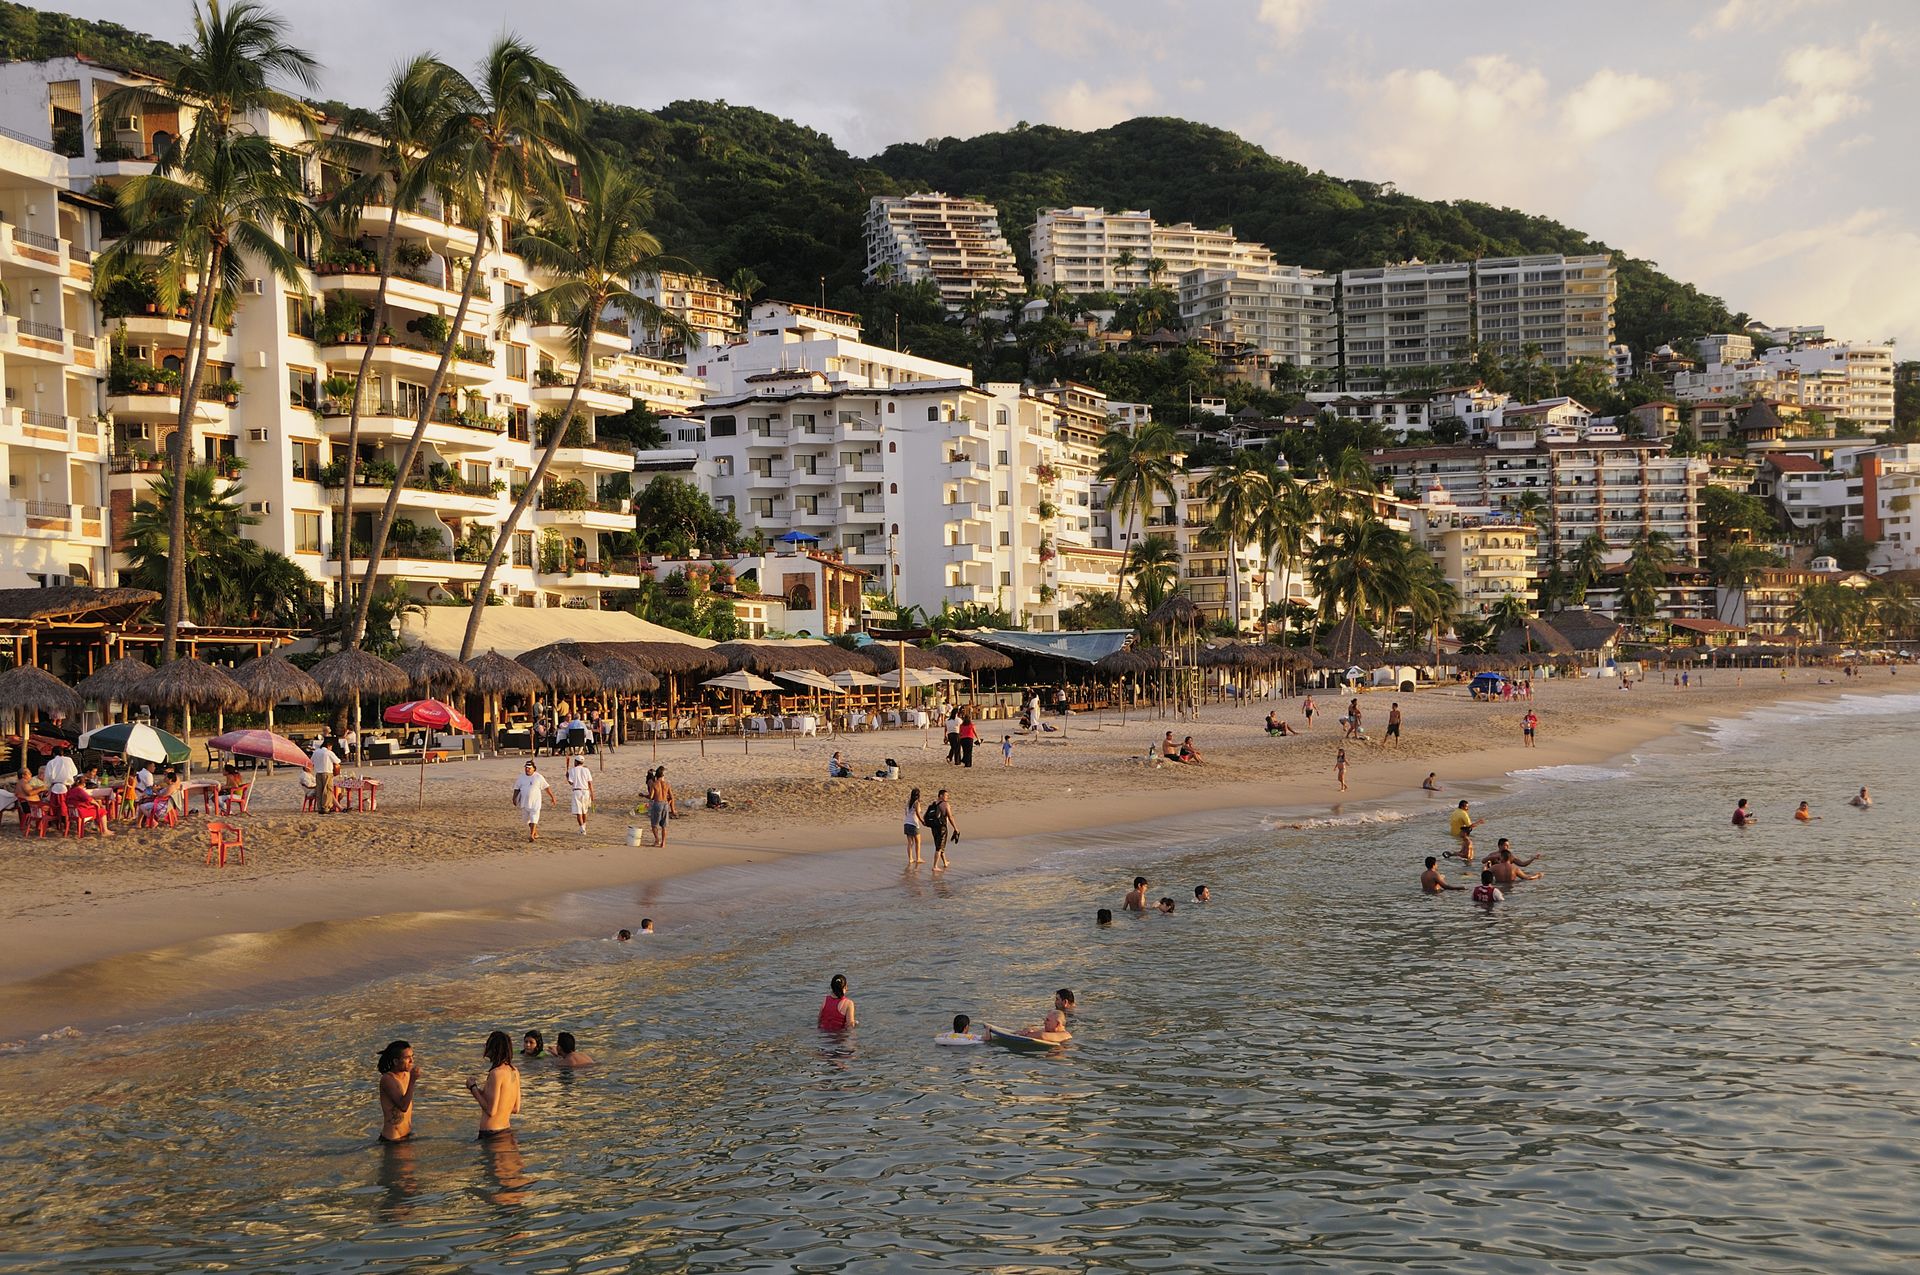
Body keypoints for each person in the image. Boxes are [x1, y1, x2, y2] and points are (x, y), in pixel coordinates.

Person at [467, 1031, 521, 1139]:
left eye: (488, 1044)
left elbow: (491, 1111)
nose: (485, 1047)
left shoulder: (496, 1073)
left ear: (494, 1049)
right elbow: (516, 1108)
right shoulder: (514, 1071)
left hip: (490, 1133)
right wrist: (479, 1090)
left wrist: (472, 1088)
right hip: (506, 1131)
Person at [376, 1040, 422, 1144]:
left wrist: (411, 1078)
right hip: (392, 1140)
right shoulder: (388, 1079)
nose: (411, 1061)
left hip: (406, 1135)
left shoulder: (407, 1074)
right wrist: (413, 1081)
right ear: (396, 1061)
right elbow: (403, 1106)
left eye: (412, 1056)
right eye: (407, 1058)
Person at [512, 761, 553, 841]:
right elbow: (516, 788)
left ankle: (531, 835)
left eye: (529, 768)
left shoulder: (538, 777)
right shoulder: (521, 777)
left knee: (534, 817)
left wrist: (552, 797)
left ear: (533, 769)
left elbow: (546, 787)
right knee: (527, 820)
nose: (527, 769)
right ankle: (534, 832)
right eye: (526, 768)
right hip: (524, 802)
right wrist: (514, 798)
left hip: (535, 802)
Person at [924, 787, 959, 871]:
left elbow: (925, 816)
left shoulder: (933, 804)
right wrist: (955, 828)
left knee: (939, 844)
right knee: (939, 847)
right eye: (946, 795)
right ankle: (935, 866)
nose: (947, 797)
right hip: (942, 828)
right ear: (940, 795)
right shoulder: (945, 805)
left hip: (934, 828)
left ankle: (945, 862)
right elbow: (950, 817)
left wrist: (924, 822)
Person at [647, 767, 676, 849]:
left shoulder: (654, 784)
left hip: (657, 804)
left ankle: (657, 840)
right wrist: (671, 806)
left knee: (654, 825)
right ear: (663, 775)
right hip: (665, 804)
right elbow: (671, 797)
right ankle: (663, 843)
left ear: (656, 776)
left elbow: (651, 796)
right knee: (664, 826)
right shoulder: (667, 784)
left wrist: (644, 796)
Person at [310, 737, 340, 813]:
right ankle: (326, 807)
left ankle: (319, 807)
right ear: (329, 745)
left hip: (318, 773)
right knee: (327, 790)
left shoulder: (316, 752)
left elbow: (311, 761)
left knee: (319, 790)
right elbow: (337, 761)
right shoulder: (329, 753)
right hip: (327, 772)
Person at [565, 754, 594, 835]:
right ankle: (583, 827)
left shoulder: (572, 770)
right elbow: (590, 783)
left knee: (579, 812)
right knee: (584, 811)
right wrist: (592, 793)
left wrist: (567, 777)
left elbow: (571, 782)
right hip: (586, 791)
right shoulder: (586, 770)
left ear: (575, 762)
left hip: (577, 792)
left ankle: (582, 829)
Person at [902, 787, 924, 866]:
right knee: (918, 842)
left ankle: (910, 858)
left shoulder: (908, 802)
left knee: (910, 843)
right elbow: (918, 813)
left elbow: (906, 812)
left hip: (907, 823)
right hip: (914, 824)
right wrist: (922, 821)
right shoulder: (917, 803)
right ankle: (918, 858)